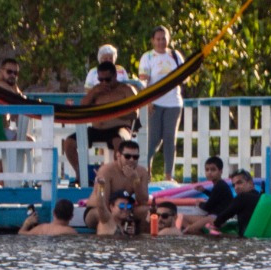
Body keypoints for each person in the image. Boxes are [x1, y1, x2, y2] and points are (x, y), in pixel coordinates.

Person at [63, 60, 139, 180]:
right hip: (97, 129)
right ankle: (81, 174)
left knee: (118, 143)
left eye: (107, 80)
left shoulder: (126, 90)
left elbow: (134, 113)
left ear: (115, 76)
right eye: (101, 80)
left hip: (119, 128)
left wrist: (113, 113)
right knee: (68, 143)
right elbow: (82, 107)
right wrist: (93, 93)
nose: (104, 83)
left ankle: (115, 176)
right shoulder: (97, 90)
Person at [138, 26, 186, 180]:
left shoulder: (175, 55)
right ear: (152, 40)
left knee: (169, 138)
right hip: (155, 102)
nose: (161, 42)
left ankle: (168, 175)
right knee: (154, 139)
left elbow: (184, 75)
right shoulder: (148, 57)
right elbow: (143, 81)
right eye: (158, 39)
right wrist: (147, 100)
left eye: (163, 38)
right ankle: (144, 170)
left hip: (173, 102)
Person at [83, 138, 151, 228]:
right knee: (104, 216)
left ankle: (139, 239)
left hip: (125, 209)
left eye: (135, 157)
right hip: (98, 209)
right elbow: (103, 202)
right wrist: (117, 217)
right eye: (127, 156)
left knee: (147, 212)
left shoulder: (141, 172)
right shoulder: (106, 171)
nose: (131, 160)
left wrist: (135, 180)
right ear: (118, 155)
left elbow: (143, 201)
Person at [177, 156, 234, 233]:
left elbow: (208, 207)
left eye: (213, 170)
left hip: (216, 218)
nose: (209, 172)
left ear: (220, 171)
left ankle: (191, 231)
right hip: (213, 216)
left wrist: (199, 204)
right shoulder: (219, 185)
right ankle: (195, 231)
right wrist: (204, 191)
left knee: (184, 224)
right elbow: (216, 198)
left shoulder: (220, 186)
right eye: (207, 170)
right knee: (181, 217)